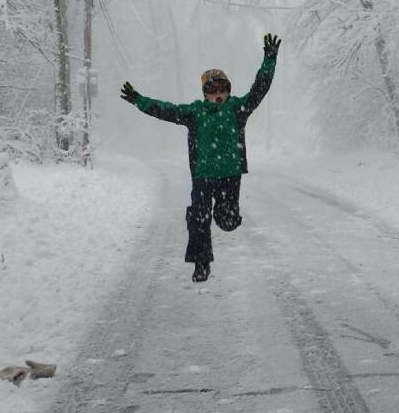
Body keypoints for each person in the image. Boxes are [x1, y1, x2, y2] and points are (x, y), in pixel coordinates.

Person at [120, 33, 282, 282]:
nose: (218, 94)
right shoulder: (195, 113)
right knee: (198, 218)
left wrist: (269, 59)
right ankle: (201, 263)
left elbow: (260, 89)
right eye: (212, 90)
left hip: (230, 175)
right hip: (203, 176)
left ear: (228, 91)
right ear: (205, 93)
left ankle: (226, 215)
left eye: (222, 89)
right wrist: (139, 100)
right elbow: (165, 109)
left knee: (227, 223)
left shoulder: (237, 109)